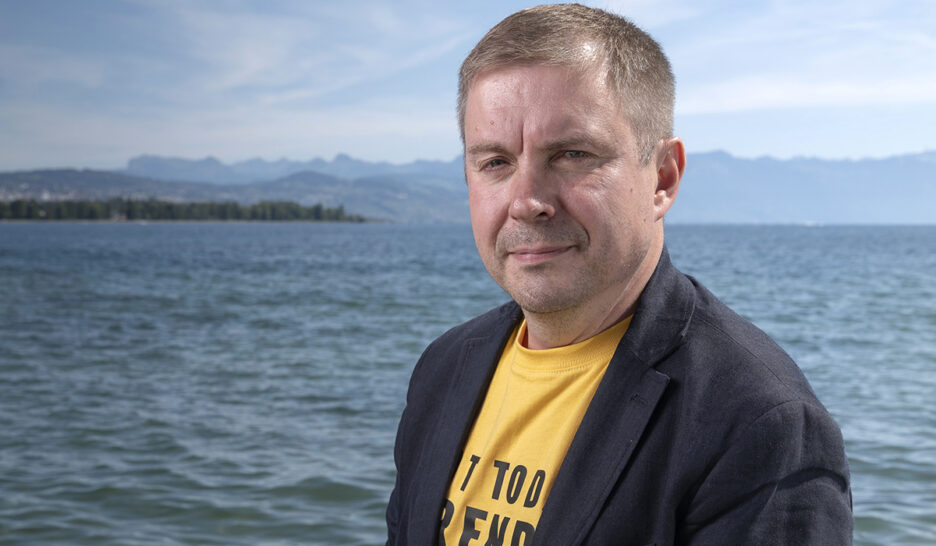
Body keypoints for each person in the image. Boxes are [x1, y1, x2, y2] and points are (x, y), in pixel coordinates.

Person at [386, 4, 853, 545]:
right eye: (495, 162)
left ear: (663, 178)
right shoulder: (443, 368)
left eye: (572, 154)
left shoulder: (759, 422)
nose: (527, 201)